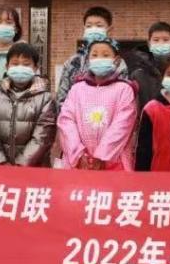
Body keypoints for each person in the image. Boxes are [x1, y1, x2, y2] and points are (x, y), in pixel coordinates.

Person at [58, 39, 137, 170]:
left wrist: (102, 156)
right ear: (88, 60)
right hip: (79, 163)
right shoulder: (77, 89)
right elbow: (66, 120)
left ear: (116, 60)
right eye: (94, 55)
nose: (99, 59)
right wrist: (78, 154)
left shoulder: (124, 89)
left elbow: (123, 125)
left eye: (105, 55)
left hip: (114, 163)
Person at [0, 42, 56, 167]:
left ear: (36, 67)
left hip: (34, 169)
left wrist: (20, 166)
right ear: (7, 66)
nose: (20, 67)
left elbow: (42, 138)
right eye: (15, 64)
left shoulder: (46, 99)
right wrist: (0, 163)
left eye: (26, 64)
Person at [56, 6, 127, 110]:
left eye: (99, 25)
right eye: (89, 26)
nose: (93, 29)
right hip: (76, 116)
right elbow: (61, 98)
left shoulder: (117, 63)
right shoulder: (73, 62)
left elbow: (124, 97)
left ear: (110, 30)